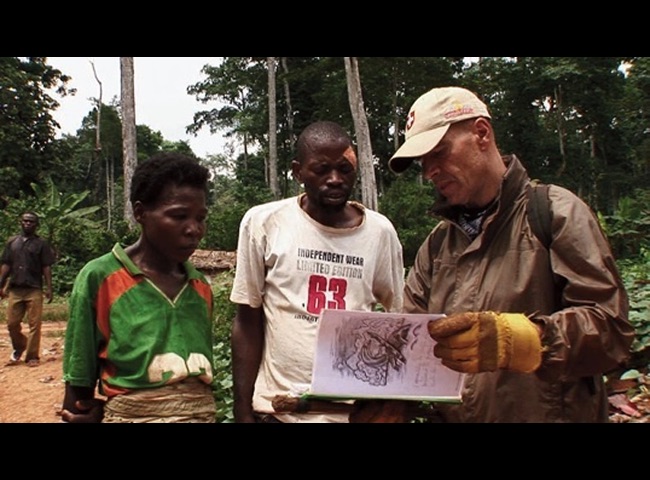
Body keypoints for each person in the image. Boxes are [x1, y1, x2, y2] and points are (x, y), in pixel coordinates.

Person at [388, 86, 635, 423]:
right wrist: (390, 403)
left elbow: (612, 330)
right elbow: (414, 347)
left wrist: (524, 341)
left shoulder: (554, 214)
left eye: (439, 152)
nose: (430, 170)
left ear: (481, 133)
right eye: (423, 162)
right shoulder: (436, 247)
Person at [230, 120, 406, 423]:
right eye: (322, 169)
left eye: (344, 169)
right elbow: (247, 319)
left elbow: (399, 320)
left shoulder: (379, 232)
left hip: (349, 413)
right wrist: (243, 408)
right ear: (298, 171)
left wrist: (390, 406)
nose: (335, 179)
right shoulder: (264, 223)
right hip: (278, 410)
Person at [60, 152, 217, 423]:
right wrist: (82, 411)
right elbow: (79, 373)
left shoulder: (199, 287)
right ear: (140, 213)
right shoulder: (101, 277)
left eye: (200, 218)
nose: (194, 229)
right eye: (179, 216)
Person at [0, 211, 55, 367]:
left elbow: (46, 266)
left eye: (31, 222)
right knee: (11, 323)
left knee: (34, 324)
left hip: (34, 289)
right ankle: (20, 345)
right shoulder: (12, 242)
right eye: (25, 221)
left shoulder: (41, 244)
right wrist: (1, 283)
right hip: (15, 289)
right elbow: (6, 264)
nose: (28, 224)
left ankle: (32, 356)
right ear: (21, 222)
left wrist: (49, 287)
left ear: (36, 225)